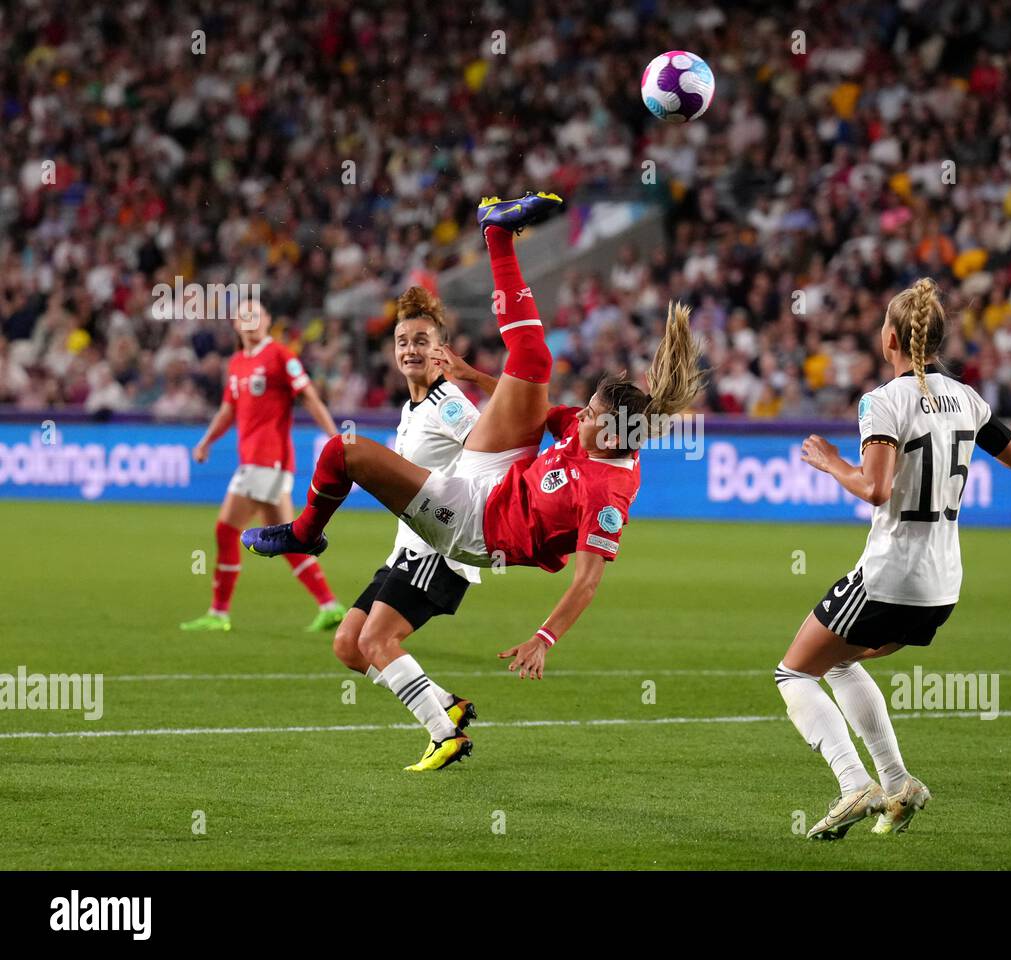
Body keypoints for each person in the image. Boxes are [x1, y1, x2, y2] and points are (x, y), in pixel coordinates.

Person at [241, 192, 706, 771]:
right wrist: (476, 374)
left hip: (476, 527)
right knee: (532, 359)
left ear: (612, 436)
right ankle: (497, 233)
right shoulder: (587, 432)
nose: (579, 415)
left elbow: (588, 581)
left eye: (589, 415)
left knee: (346, 453)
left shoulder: (607, 492)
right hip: (495, 480)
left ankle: (311, 538)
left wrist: (545, 638)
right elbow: (531, 405)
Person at [778, 277, 1011, 841]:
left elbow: (875, 488)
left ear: (889, 338)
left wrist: (829, 462)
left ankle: (854, 785)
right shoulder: (968, 399)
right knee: (842, 662)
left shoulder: (883, 401)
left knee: (794, 671)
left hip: (890, 574)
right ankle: (897, 784)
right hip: (943, 586)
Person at [331, 286, 493, 768]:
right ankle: (446, 703)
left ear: (440, 350)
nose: (410, 350)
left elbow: (489, 449)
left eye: (421, 341)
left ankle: (444, 734)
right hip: (407, 547)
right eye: (403, 341)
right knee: (348, 645)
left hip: (438, 549)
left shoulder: (448, 403)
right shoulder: (411, 410)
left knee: (377, 641)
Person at [181, 301, 345, 633]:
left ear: (268, 321)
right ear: (236, 324)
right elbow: (228, 410)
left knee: (226, 530)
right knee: (286, 539)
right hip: (255, 462)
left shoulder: (280, 356)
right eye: (245, 316)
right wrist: (206, 441)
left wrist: (333, 436)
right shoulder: (238, 363)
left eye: (257, 316)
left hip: (268, 461)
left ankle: (218, 612)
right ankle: (330, 605)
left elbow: (309, 396)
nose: (252, 322)